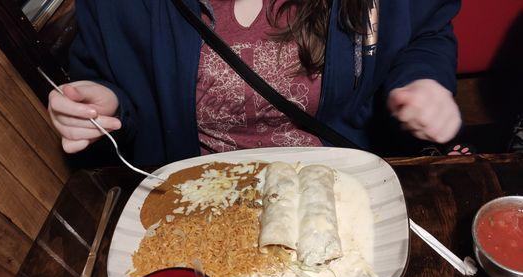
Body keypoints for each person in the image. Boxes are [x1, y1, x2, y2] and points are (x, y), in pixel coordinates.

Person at [48, 0, 462, 165]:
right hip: (197, 196)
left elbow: (426, 33)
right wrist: (104, 103)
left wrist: (422, 81)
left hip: (341, 182)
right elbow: (108, 75)